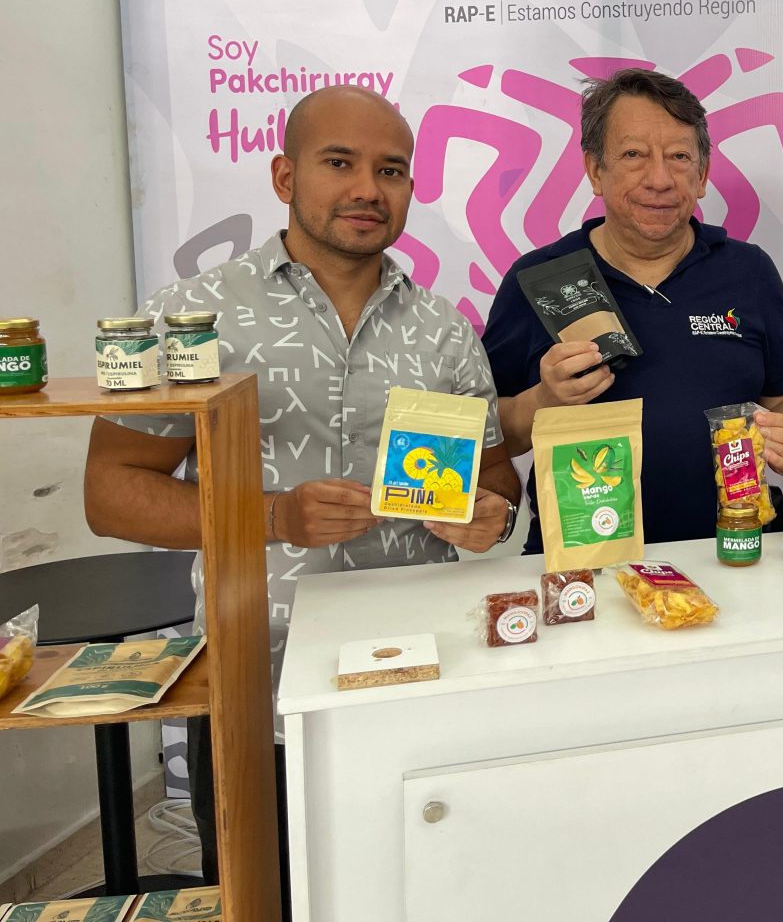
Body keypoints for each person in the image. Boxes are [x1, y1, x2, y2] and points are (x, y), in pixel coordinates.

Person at [83, 85, 522, 915]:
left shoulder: (443, 329)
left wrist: (490, 516)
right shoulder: (192, 318)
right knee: (270, 903)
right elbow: (111, 494)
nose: (367, 189)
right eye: (339, 163)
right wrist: (273, 516)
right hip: (262, 693)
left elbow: (495, 481)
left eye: (390, 170)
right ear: (285, 176)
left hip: (423, 681)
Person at [483, 67, 783, 548]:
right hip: (584, 560)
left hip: (735, 551)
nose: (659, 179)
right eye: (634, 155)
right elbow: (488, 437)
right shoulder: (539, 278)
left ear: (702, 175)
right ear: (595, 170)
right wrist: (544, 401)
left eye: (679, 157)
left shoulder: (749, 271)